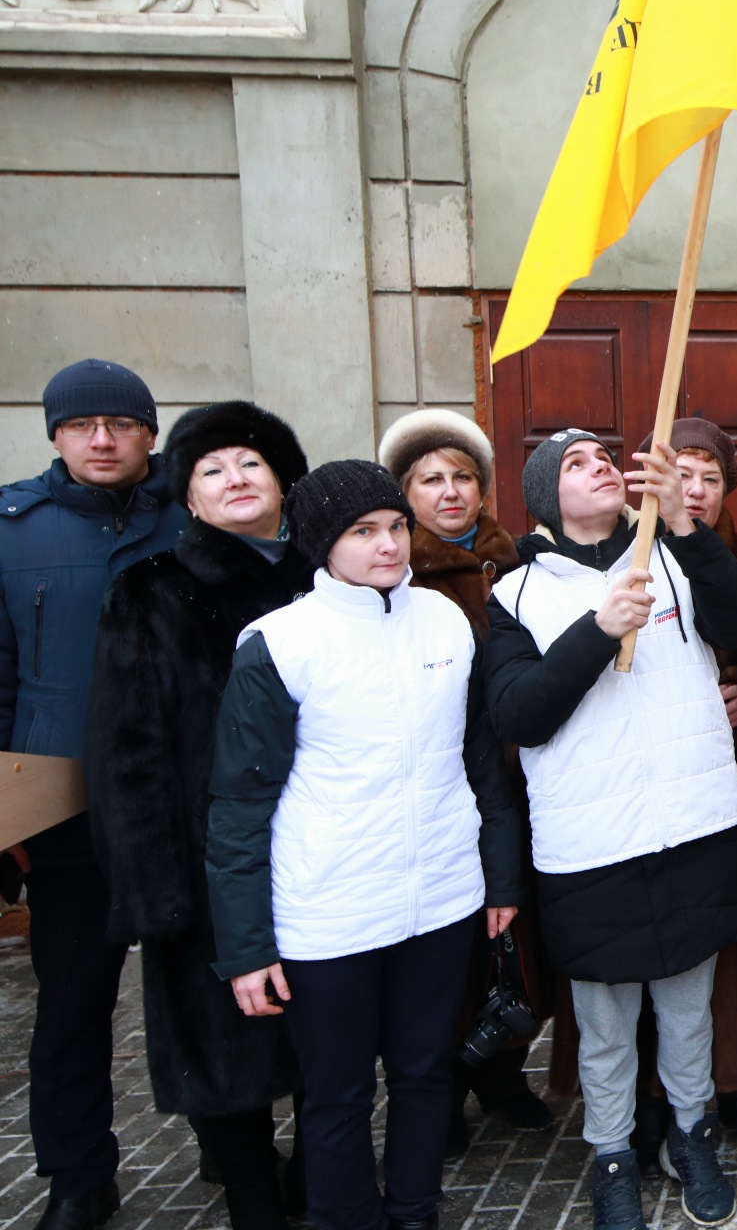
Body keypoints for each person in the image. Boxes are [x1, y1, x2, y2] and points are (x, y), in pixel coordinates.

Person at [205, 460, 524, 1230]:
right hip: (330, 913)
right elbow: (238, 806)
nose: (388, 544)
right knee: (338, 1094)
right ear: (323, 542)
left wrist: (500, 879)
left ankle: (415, 1212)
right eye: (363, 531)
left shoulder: (445, 621)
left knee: (425, 1074)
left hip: (440, 899)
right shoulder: (280, 644)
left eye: (394, 527)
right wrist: (246, 947)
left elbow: (480, 760)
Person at [484, 429, 737, 1229]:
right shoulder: (516, 596)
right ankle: (611, 1152)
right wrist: (597, 629)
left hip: (691, 822)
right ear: (545, 498)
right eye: (575, 463)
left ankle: (691, 1131)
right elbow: (519, 715)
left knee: (688, 1005)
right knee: (605, 1023)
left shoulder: (673, 555)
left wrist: (683, 525)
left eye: (605, 457)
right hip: (595, 843)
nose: (600, 466)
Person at [85, 403, 311, 1230]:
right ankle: (251, 1196)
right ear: (188, 497)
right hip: (203, 859)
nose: (235, 479)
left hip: (322, 850)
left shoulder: (328, 578)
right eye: (211, 470)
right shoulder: (151, 591)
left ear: (283, 480)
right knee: (223, 1047)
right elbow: (125, 750)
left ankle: (315, 1177)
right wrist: (151, 886)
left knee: (322, 1035)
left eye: (250, 463)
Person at [1, 360, 187, 1230]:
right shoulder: (13, 530)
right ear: (56, 436)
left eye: (121, 424)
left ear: (150, 433)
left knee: (211, 984)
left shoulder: (192, 517)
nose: (102, 440)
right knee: (73, 1001)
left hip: (179, 797)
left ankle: (233, 1144)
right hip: (62, 804)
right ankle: (78, 1175)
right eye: (82, 426)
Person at [377, 409, 558, 1149]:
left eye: (462, 478)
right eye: (430, 480)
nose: (449, 492)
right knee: (449, 940)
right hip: (443, 782)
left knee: (516, 936)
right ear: (405, 493)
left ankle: (503, 1069)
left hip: (520, 777)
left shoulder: (518, 562)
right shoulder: (396, 571)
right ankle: (443, 1084)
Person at [617, 417, 737, 1164]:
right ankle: (656, 1095)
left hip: (736, 789)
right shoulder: (625, 556)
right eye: (680, 475)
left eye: (710, 478)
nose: (694, 490)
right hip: (651, 788)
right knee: (663, 938)